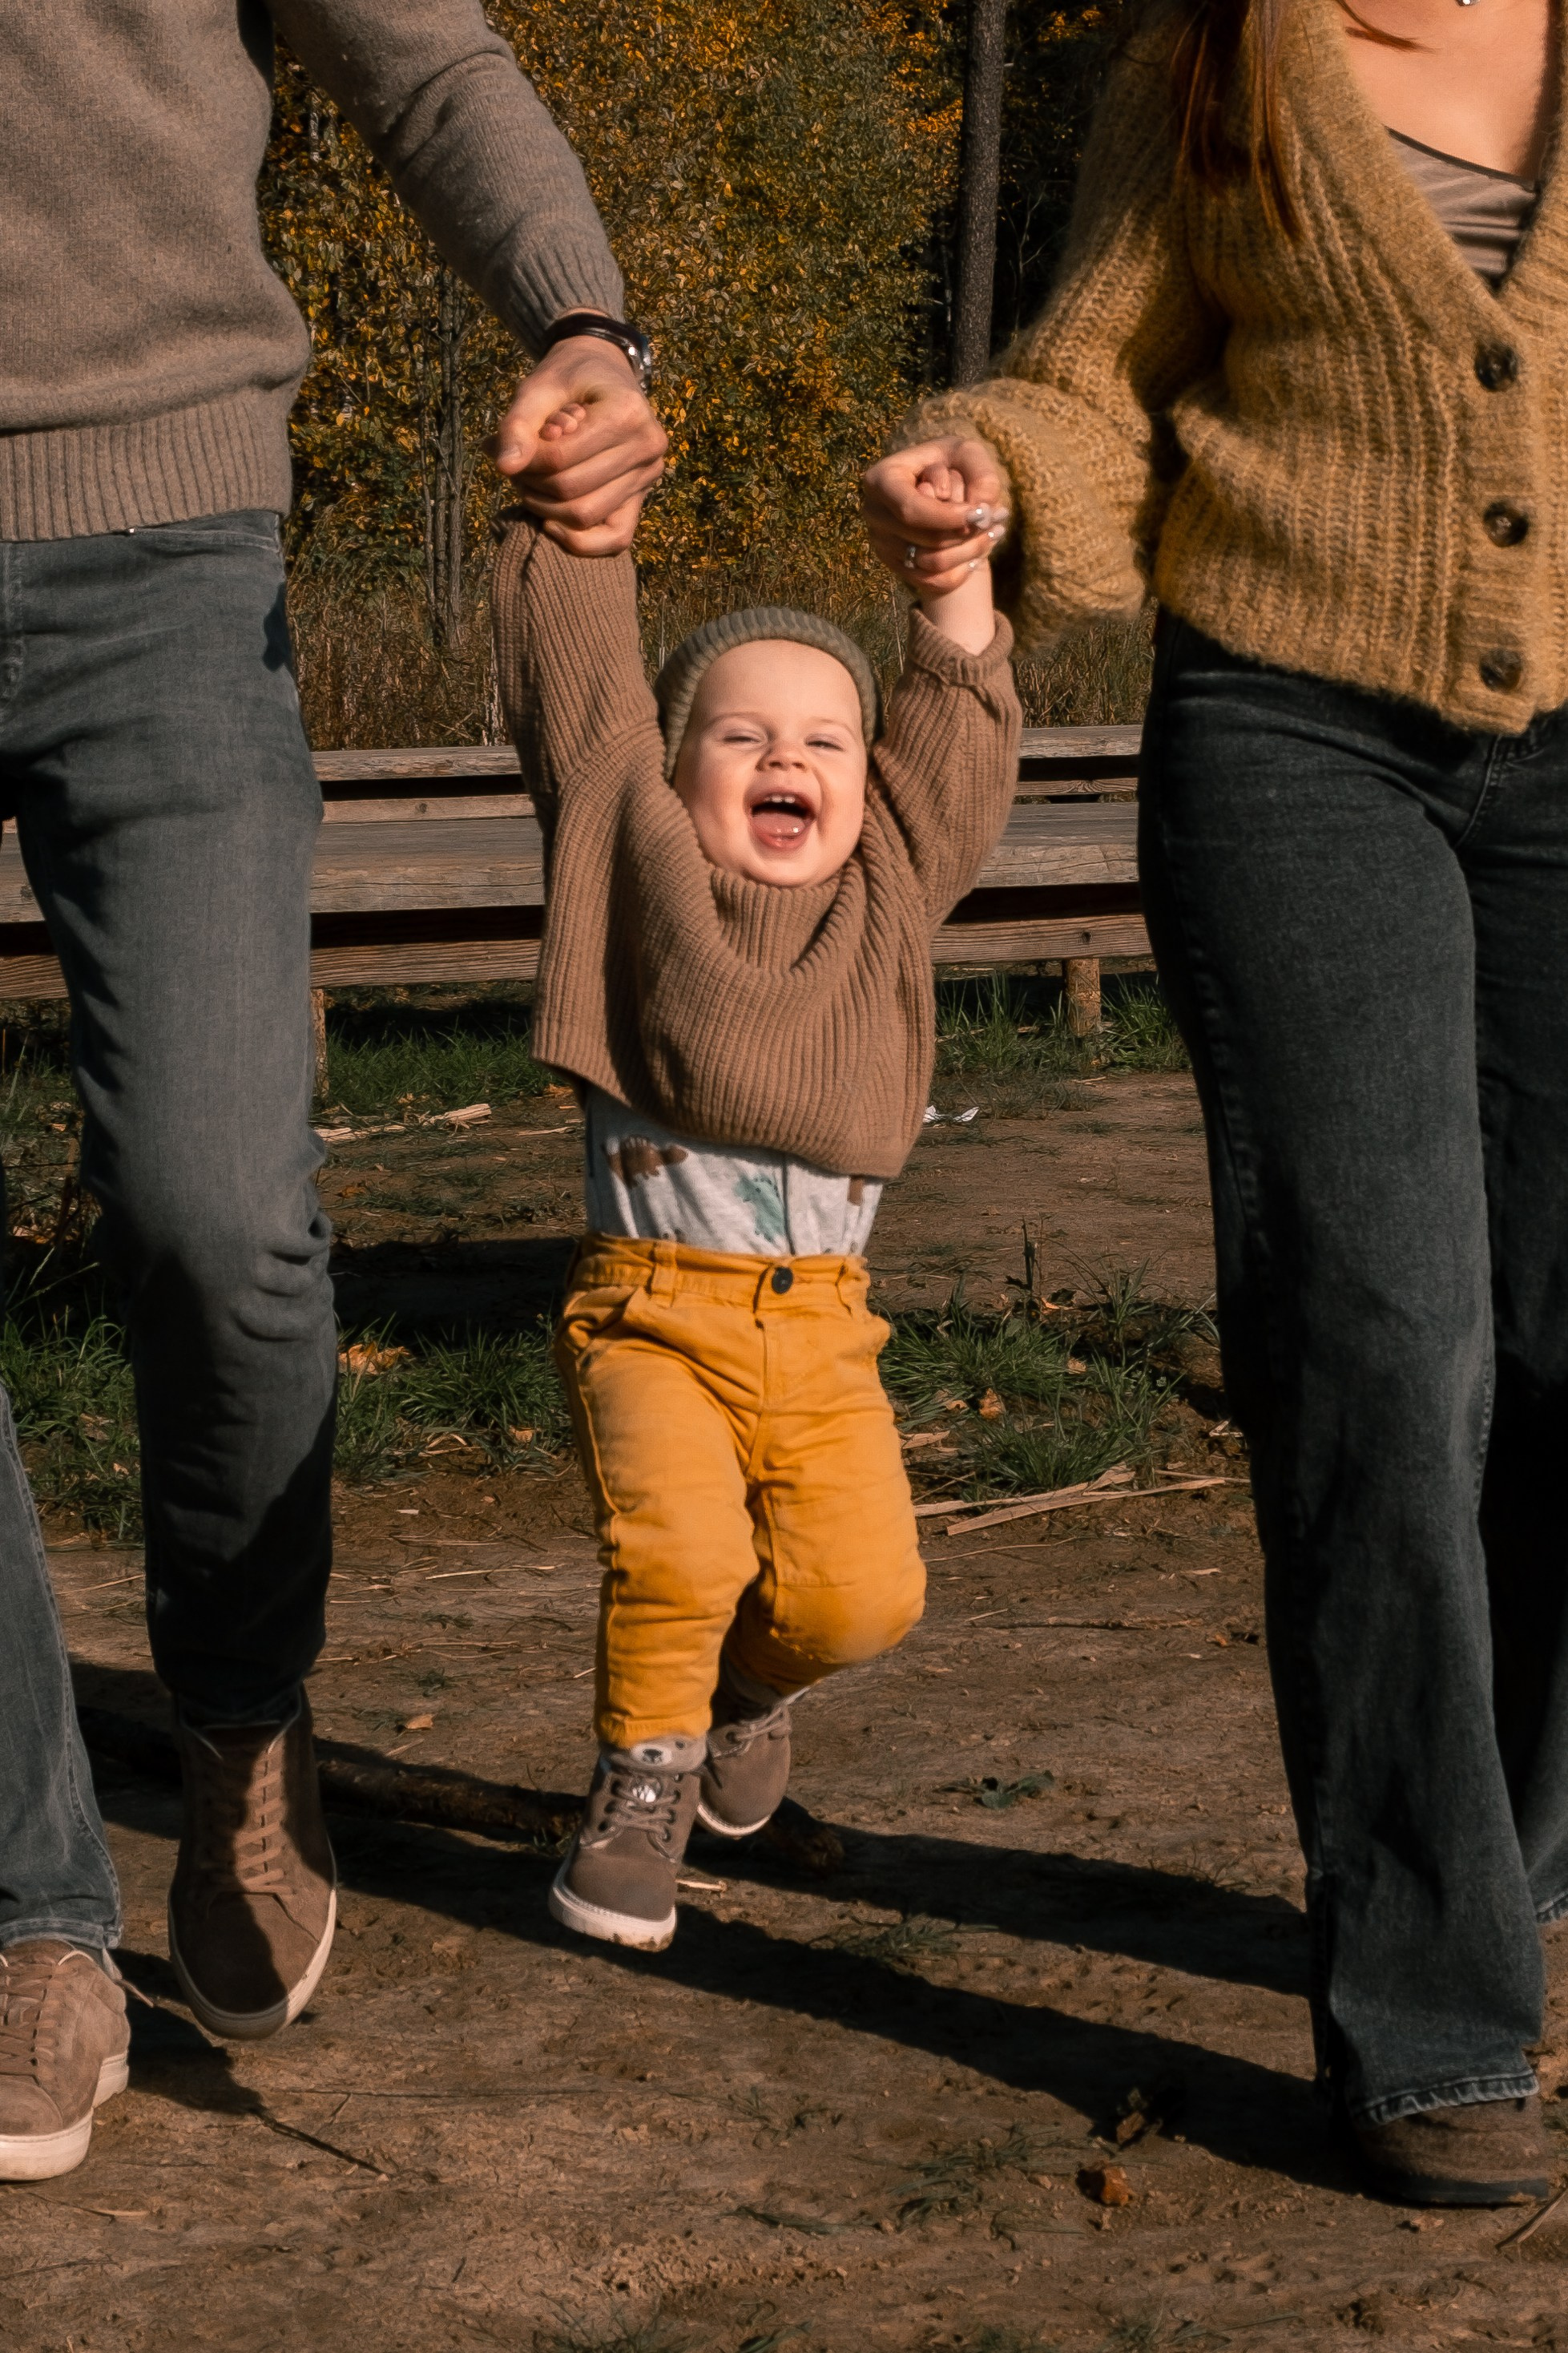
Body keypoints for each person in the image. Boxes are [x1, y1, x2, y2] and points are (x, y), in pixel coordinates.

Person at [862, 0, 1563, 2208]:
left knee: (1554, 1339)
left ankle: (1518, 1864)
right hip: (1292, 744)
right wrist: (989, 469)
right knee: (1377, 1337)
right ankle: (1429, 1998)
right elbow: (1090, 377)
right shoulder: (1219, 51)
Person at [0, 0, 665, 2183]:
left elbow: (430, 54)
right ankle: (33, 1907)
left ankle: (240, 1707)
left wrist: (577, 309)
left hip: (159, 546)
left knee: (219, 1212)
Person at [488, 436, 1020, 1951]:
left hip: (827, 1333)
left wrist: (949, 576)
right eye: (740, 737)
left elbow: (962, 736)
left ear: (872, 784)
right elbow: (580, 700)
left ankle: (742, 1695)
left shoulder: (891, 890)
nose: (787, 761)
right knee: (681, 1553)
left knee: (864, 1601)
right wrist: (581, 522)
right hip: (652, 1310)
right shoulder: (627, 846)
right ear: (673, 769)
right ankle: (642, 1780)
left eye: (826, 742)